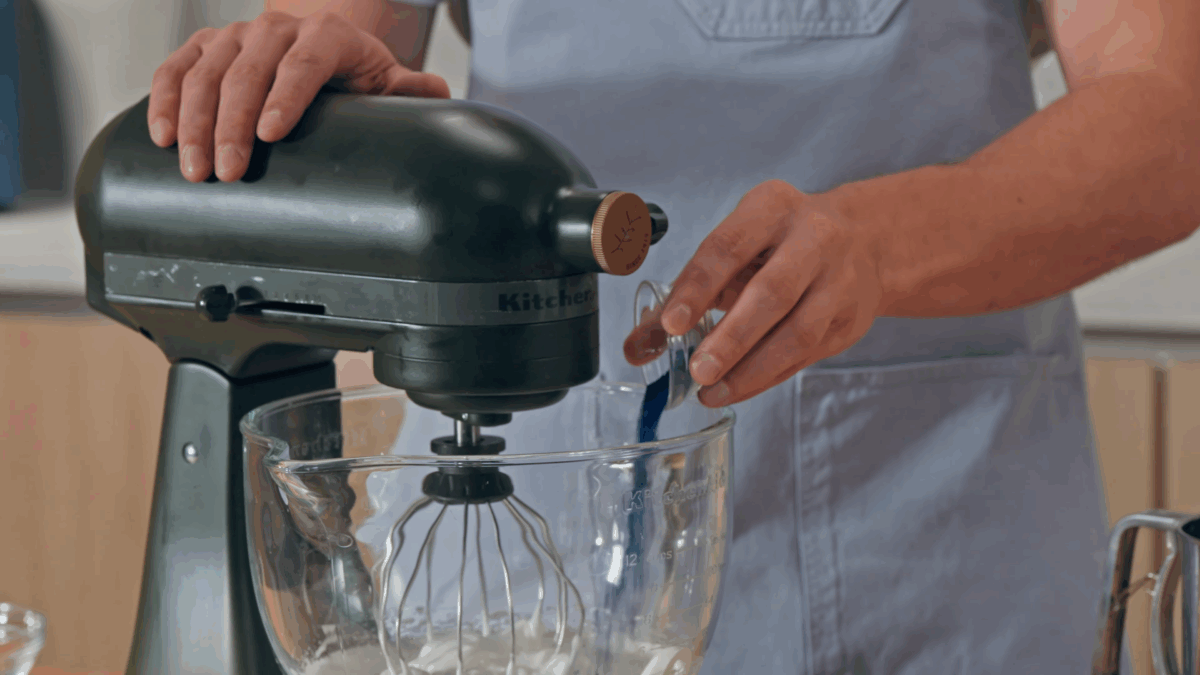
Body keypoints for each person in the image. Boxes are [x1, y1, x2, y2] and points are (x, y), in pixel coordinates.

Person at [146, 0, 1200, 671]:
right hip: (526, 537)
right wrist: (306, 78)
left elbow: (1167, 116)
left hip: (931, 548)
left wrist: (881, 245)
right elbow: (344, 34)